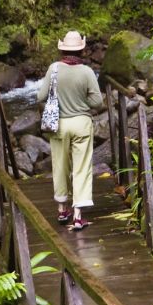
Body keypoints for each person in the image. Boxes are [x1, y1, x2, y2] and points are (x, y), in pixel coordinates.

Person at [38, 31, 103, 231]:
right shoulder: (87, 72)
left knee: (60, 165)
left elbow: (40, 96)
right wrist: (82, 101)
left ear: (62, 49)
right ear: (82, 50)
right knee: (82, 168)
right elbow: (98, 102)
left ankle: (61, 209)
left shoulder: (54, 69)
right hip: (82, 124)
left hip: (59, 125)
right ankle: (77, 216)